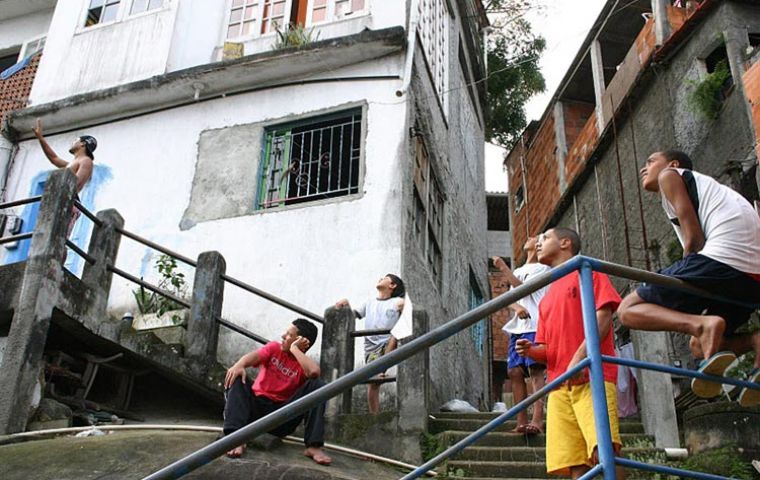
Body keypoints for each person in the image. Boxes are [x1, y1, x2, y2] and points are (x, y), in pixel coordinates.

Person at [618, 150, 760, 406]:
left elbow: (693, 238)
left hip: (724, 258)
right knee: (699, 346)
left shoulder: (670, 176)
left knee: (628, 310)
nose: (644, 168)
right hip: (752, 279)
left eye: (650, 161)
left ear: (672, 164)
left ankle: (703, 325)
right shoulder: (710, 190)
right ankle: (755, 341)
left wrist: (682, 270)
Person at [516, 228, 625, 479]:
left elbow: (604, 316)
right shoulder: (546, 297)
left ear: (565, 243)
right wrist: (531, 350)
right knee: (574, 462)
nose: (538, 244)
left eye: (545, 239)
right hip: (558, 386)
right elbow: (549, 350)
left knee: (604, 449)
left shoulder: (587, 271)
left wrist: (579, 359)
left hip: (591, 376)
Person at [222, 318, 331, 465]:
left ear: (300, 341)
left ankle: (313, 446)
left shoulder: (303, 364)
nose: (283, 336)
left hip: (281, 417)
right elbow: (253, 357)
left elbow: (314, 372)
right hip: (255, 409)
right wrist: (240, 364)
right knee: (237, 375)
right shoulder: (274, 348)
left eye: (288, 335)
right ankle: (235, 438)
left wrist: (294, 349)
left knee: (318, 386)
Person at [491, 236, 550, 435]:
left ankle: (537, 420)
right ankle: (521, 421)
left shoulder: (543, 268)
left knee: (535, 370)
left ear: (539, 245)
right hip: (518, 327)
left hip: (535, 324)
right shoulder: (518, 271)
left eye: (535, 238)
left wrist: (503, 268)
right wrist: (516, 308)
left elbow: (521, 287)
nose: (529, 238)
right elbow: (511, 296)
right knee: (514, 372)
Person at [335, 274, 405, 414]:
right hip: (371, 347)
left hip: (387, 343)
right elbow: (354, 315)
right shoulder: (369, 302)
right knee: (373, 383)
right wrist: (346, 304)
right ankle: (375, 416)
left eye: (385, 277)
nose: (380, 278)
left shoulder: (398, 301)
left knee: (393, 338)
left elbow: (407, 319)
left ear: (392, 285)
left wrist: (403, 308)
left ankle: (383, 366)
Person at [32, 118, 97, 238]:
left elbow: (76, 183)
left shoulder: (86, 161)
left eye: (75, 141)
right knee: (50, 235)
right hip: (63, 199)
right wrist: (40, 138)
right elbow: (54, 158)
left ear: (82, 144)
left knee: (59, 238)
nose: (73, 143)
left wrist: (61, 194)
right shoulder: (72, 163)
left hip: (70, 201)